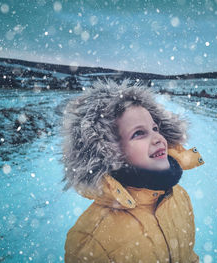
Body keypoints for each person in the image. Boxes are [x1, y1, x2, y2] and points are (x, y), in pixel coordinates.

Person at [62, 80, 204, 262]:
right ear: (111, 151)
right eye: (139, 133)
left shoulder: (178, 196)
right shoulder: (94, 239)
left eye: (155, 128)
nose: (158, 138)